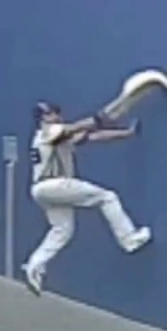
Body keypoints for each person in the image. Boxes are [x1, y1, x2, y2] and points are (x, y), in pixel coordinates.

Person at [22, 101, 152, 295]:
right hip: (54, 184)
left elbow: (94, 136)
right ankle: (129, 239)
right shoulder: (50, 131)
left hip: (43, 190)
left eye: (56, 111)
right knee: (107, 197)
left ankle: (34, 266)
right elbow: (78, 127)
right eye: (50, 113)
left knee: (63, 230)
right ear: (42, 119)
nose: (56, 115)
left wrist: (125, 133)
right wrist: (101, 117)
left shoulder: (57, 136)